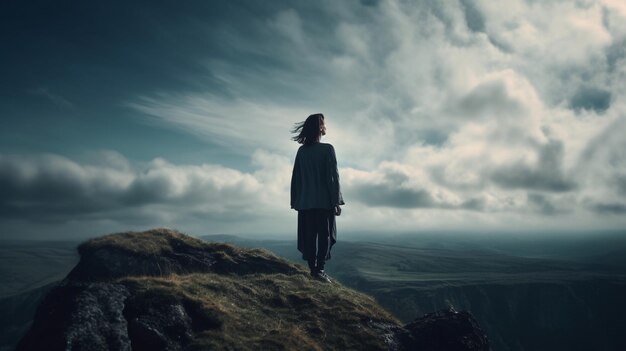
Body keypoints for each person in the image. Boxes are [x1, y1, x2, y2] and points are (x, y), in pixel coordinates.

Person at [290, 113, 345, 283]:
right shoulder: (327, 149)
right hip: (323, 202)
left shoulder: (301, 151)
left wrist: (295, 200)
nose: (326, 126)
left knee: (309, 236)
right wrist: (336, 201)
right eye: (324, 124)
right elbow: (332, 178)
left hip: (305, 203)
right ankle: (319, 270)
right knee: (324, 236)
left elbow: (296, 177)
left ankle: (313, 270)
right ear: (320, 127)